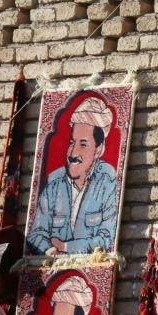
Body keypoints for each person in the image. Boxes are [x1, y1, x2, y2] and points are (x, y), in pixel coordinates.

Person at [29, 96, 119, 256]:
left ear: (98, 149)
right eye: (72, 143)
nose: (73, 152)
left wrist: (66, 247)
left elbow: (107, 238)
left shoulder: (109, 184)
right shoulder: (53, 185)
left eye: (83, 144)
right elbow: (35, 234)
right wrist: (51, 251)